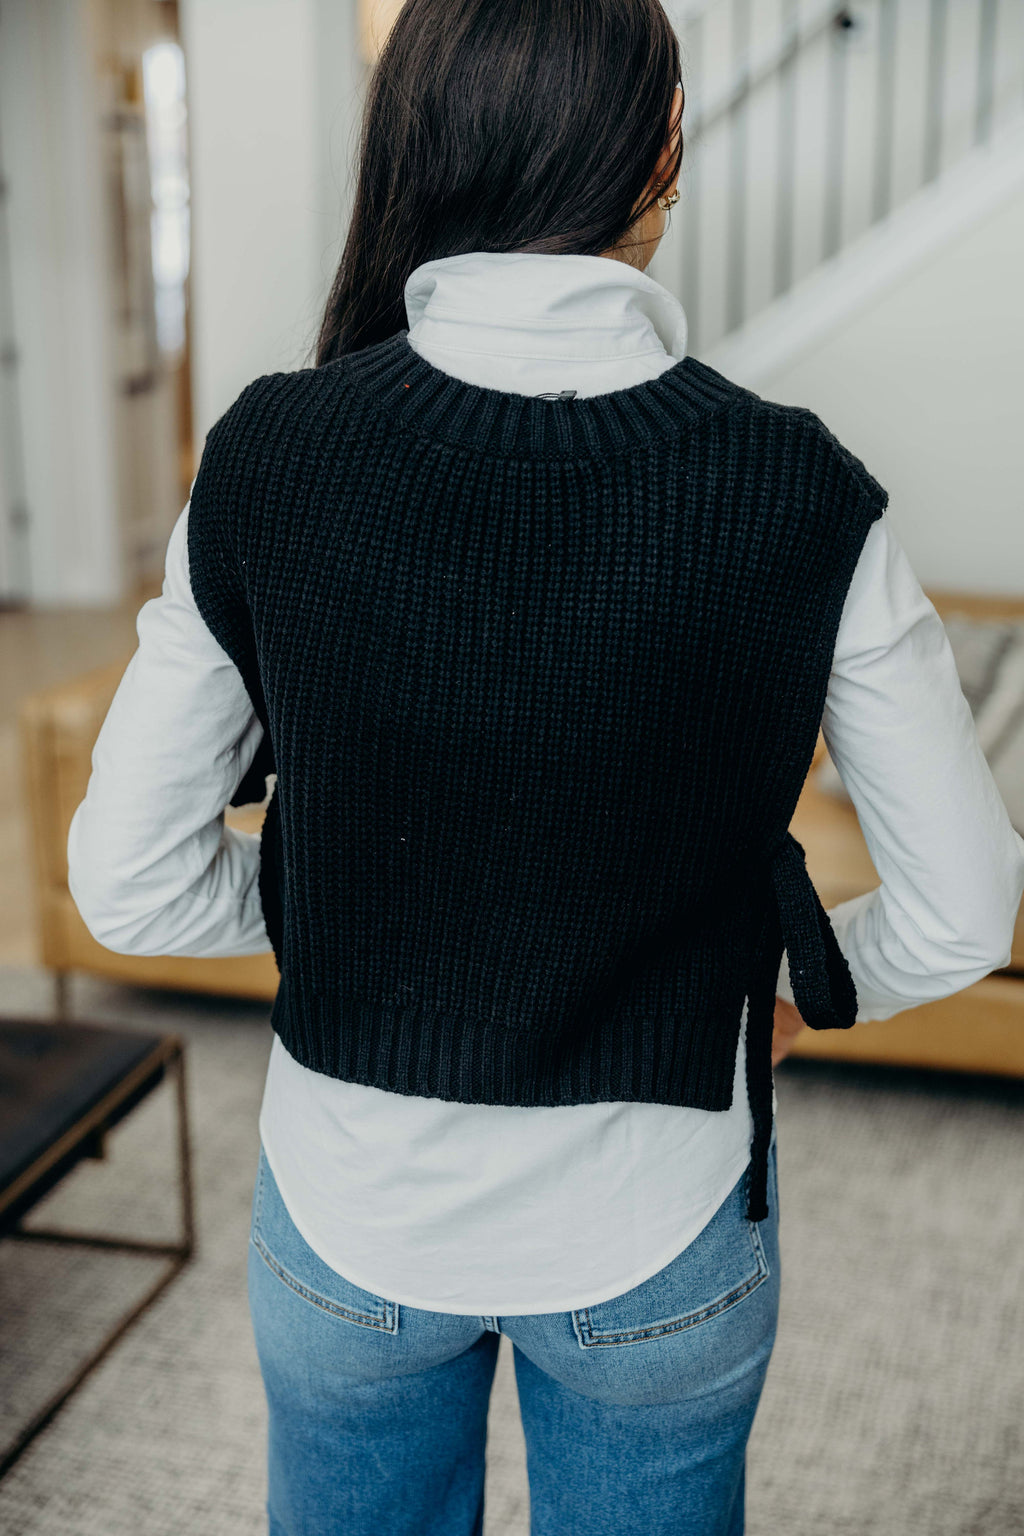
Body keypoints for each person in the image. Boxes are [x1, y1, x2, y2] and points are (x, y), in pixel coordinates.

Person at [67, 1, 1024, 1532]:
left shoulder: (269, 452)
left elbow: (124, 880)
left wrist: (350, 909)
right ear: (662, 154)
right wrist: (780, 988)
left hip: (351, 1220)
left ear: (421, 143)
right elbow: (971, 910)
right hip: (658, 1237)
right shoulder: (800, 485)